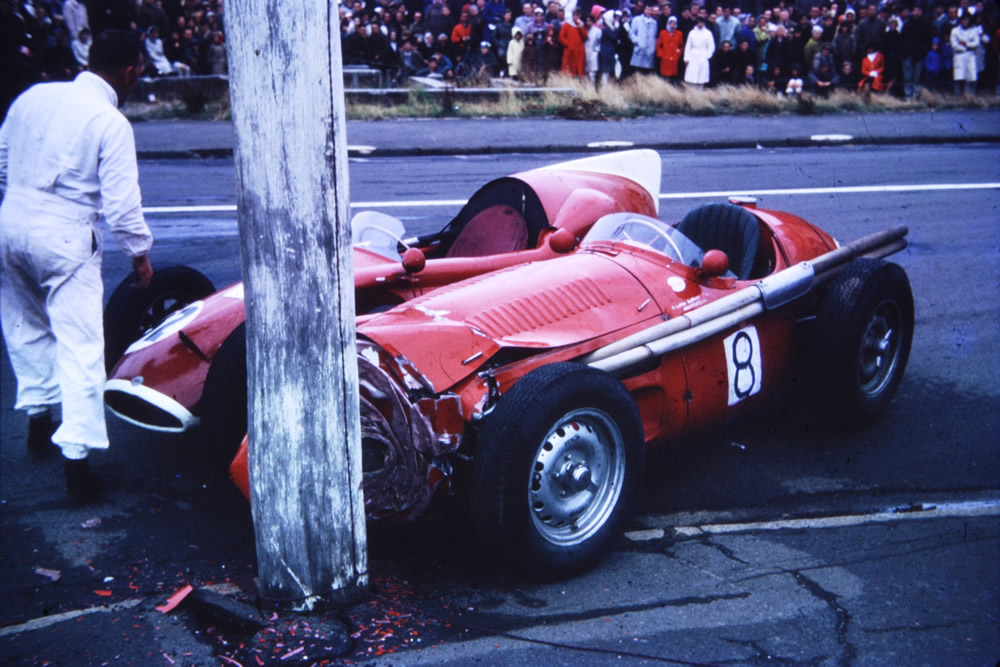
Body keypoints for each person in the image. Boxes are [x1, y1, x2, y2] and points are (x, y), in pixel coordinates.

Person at [0, 29, 154, 499]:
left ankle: (38, 418)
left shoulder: (34, 97)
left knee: (26, 325)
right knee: (81, 346)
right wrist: (140, 257)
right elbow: (123, 206)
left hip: (10, 221)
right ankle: (77, 464)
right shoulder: (109, 121)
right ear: (130, 71)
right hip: (65, 234)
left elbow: (2, 163)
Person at [950, 13, 980, 95]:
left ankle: (971, 97)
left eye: (967, 20)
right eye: (964, 20)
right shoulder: (955, 30)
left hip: (971, 56)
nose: (966, 21)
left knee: (972, 78)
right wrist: (965, 48)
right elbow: (954, 45)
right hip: (959, 56)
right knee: (959, 78)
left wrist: (966, 44)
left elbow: (977, 43)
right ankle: (958, 97)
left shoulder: (974, 30)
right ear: (961, 20)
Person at [683, 14, 714, 87]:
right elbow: (688, 46)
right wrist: (686, 58)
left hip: (703, 55)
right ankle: (691, 94)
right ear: (697, 22)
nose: (700, 24)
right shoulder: (692, 32)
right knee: (692, 76)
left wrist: (707, 56)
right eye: (699, 22)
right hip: (693, 55)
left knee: (701, 77)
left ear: (704, 23)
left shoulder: (708, 33)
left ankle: (700, 95)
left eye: (702, 22)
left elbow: (711, 46)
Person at [655, 15, 683, 82]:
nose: (672, 25)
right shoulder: (662, 33)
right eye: (671, 23)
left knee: (673, 78)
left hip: (674, 59)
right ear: (668, 23)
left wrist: (678, 54)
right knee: (665, 77)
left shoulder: (679, 34)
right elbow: (658, 46)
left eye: (674, 23)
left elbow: (681, 46)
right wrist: (661, 55)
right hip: (665, 59)